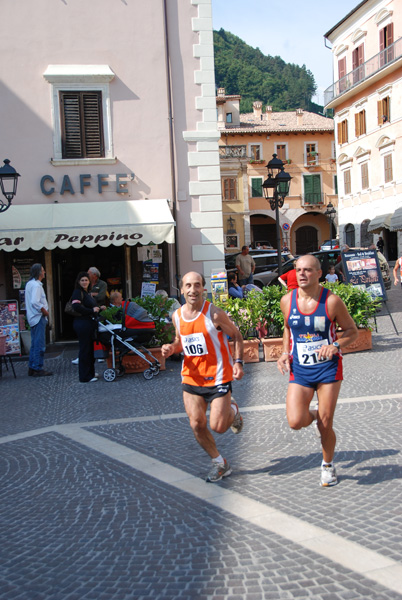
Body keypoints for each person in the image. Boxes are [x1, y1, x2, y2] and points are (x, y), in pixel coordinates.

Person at [277, 254, 358, 487]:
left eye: (308, 270)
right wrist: (284, 352)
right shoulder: (287, 300)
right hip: (301, 369)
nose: (302, 274)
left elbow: (352, 331)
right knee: (295, 420)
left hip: (328, 370)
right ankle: (313, 416)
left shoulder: (331, 301)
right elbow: (287, 328)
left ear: (319, 273)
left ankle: (328, 465)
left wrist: (335, 346)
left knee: (325, 423)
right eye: (298, 270)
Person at [161, 271, 244, 483]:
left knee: (218, 426)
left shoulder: (214, 314)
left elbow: (236, 335)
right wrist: (172, 348)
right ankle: (219, 463)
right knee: (197, 424)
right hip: (191, 377)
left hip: (218, 377)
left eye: (197, 285)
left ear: (203, 289)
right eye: (188, 286)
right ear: (181, 290)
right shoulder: (177, 316)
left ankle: (232, 411)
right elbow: (181, 341)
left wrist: (238, 362)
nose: (192, 290)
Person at [71, 271, 105, 382]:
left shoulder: (86, 293)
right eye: (82, 280)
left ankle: (90, 373)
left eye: (86, 280)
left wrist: (99, 308)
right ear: (78, 282)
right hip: (82, 324)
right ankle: (85, 376)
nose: (84, 282)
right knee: (85, 350)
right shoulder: (77, 292)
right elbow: (76, 306)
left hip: (88, 324)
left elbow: (91, 307)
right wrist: (91, 310)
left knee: (89, 350)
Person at [25, 263, 53, 377]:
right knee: (39, 344)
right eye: (43, 270)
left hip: (32, 317)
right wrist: (44, 311)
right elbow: (35, 301)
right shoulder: (36, 286)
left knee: (34, 344)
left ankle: (32, 367)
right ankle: (37, 367)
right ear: (39, 272)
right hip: (38, 317)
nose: (44, 272)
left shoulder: (29, 284)